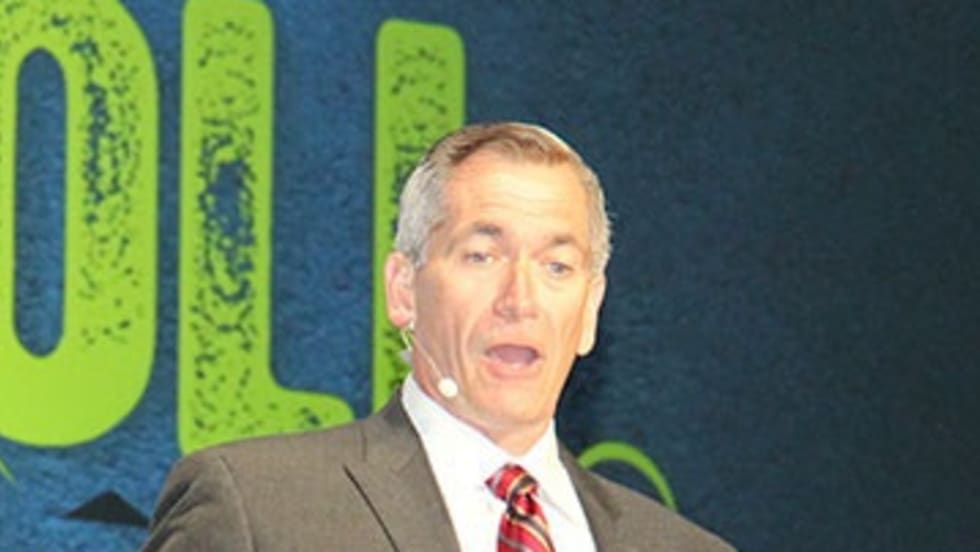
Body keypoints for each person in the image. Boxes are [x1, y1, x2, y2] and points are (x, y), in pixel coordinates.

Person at [142, 122, 735, 551]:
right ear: (404, 289)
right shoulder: (258, 508)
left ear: (589, 310)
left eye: (557, 266)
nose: (521, 300)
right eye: (481, 255)